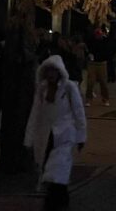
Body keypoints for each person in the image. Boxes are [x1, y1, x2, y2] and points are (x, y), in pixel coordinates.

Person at [24, 55, 88, 210]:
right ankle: (57, 201)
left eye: (54, 70)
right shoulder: (42, 89)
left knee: (58, 172)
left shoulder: (69, 87)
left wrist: (81, 136)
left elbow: (78, 112)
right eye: (48, 70)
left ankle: (54, 204)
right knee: (51, 172)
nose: (51, 74)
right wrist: (29, 138)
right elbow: (36, 113)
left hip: (65, 136)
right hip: (47, 136)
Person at [85, 28, 111, 106]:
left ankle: (105, 99)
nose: (98, 36)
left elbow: (108, 51)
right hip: (92, 63)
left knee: (103, 83)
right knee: (90, 82)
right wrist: (89, 55)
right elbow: (87, 50)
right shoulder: (91, 41)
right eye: (97, 34)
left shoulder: (105, 41)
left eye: (99, 34)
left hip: (102, 63)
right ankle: (88, 99)